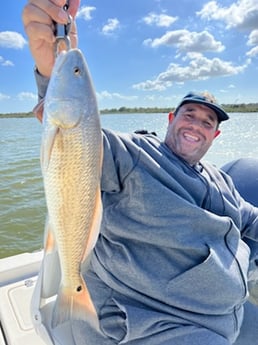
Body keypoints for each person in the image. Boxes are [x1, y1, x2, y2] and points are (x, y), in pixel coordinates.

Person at [22, 1, 258, 344]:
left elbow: (249, 218)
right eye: (188, 115)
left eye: (207, 122)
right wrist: (50, 69)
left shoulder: (220, 179)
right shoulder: (135, 155)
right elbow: (78, 137)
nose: (197, 126)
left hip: (232, 309)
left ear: (215, 135)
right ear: (170, 119)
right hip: (167, 326)